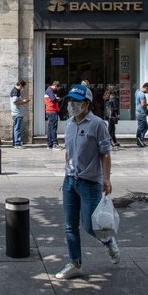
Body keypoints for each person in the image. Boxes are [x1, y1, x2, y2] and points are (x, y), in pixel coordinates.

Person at [54, 84, 119, 280]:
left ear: (87, 104)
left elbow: (105, 154)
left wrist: (106, 178)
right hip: (70, 181)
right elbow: (68, 151)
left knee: (91, 226)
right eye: (71, 101)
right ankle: (75, 263)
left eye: (77, 102)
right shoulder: (70, 123)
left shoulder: (98, 124)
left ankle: (109, 242)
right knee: (69, 226)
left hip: (89, 182)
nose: (72, 105)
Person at [10, 80, 29, 149]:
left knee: (15, 128)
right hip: (17, 113)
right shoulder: (16, 91)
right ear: (20, 85)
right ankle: (17, 144)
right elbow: (15, 102)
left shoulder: (15, 91)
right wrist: (24, 101)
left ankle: (15, 143)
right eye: (22, 87)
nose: (22, 89)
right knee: (17, 128)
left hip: (16, 112)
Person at [135, 82, 148, 146]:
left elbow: (146, 87)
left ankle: (141, 140)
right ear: (146, 88)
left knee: (145, 127)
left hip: (139, 112)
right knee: (141, 127)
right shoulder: (142, 95)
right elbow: (143, 104)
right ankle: (139, 140)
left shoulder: (137, 91)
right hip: (141, 113)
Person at [44, 81, 62, 149]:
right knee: (53, 127)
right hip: (52, 111)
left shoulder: (49, 90)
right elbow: (53, 99)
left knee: (50, 128)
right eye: (57, 88)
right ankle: (54, 143)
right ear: (55, 86)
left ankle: (49, 144)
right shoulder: (50, 90)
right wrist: (58, 99)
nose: (57, 90)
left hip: (50, 111)